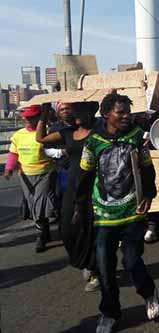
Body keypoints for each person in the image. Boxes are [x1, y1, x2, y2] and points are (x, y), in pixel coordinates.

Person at [75, 93, 159, 332]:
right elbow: (84, 176)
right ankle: (109, 313)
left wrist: (149, 195)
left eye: (127, 112)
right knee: (104, 266)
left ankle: (148, 291)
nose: (126, 117)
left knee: (131, 261)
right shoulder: (93, 142)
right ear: (106, 114)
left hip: (133, 211)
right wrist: (81, 209)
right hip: (103, 215)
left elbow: (147, 168)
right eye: (120, 112)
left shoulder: (136, 137)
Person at [35, 101, 100, 292]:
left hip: (94, 185)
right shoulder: (66, 133)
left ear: (90, 114)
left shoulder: (99, 134)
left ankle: (95, 269)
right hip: (72, 186)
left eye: (81, 110)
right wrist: (44, 114)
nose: (76, 114)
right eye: (74, 110)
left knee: (90, 228)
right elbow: (41, 139)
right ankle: (85, 261)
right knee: (67, 230)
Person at [4, 105, 57, 253]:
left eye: (31, 117)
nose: (27, 120)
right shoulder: (18, 135)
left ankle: (40, 235)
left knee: (40, 202)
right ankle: (44, 229)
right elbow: (13, 154)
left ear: (39, 117)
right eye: (26, 117)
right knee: (33, 203)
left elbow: (54, 151)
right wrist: (9, 169)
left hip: (45, 173)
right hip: (26, 175)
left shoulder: (47, 132)